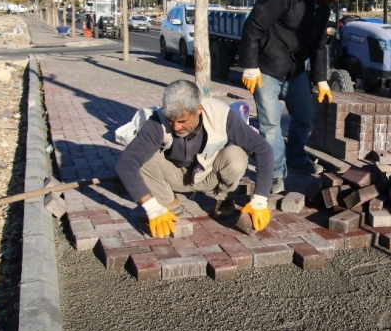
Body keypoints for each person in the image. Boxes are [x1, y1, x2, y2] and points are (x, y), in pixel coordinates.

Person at [238, 0, 346, 194]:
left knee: (305, 118)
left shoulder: (323, 7)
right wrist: (250, 65)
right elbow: (253, 26)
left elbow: (319, 46)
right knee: (270, 124)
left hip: (296, 71)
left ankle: (297, 157)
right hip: (266, 70)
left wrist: (321, 80)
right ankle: (275, 173)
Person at [115, 80, 273, 238]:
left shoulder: (220, 114)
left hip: (210, 174)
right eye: (171, 120)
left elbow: (263, 149)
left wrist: (260, 200)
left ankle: (225, 200)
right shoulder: (157, 121)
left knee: (236, 155)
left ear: (199, 110)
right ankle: (167, 203)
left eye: (182, 121)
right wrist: (151, 207)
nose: (176, 127)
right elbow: (126, 163)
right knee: (145, 157)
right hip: (175, 177)